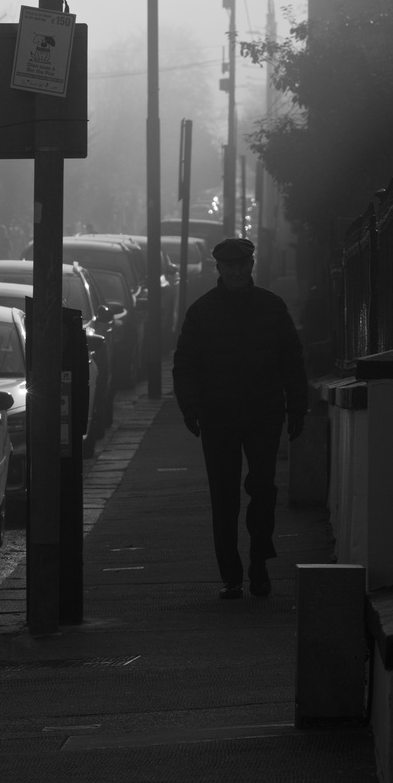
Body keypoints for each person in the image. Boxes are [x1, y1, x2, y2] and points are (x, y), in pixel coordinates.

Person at [171, 236, 307, 599]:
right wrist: (191, 407)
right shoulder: (202, 312)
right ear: (219, 268)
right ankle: (232, 574)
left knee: (262, 489)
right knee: (224, 497)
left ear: (250, 266)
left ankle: (258, 560)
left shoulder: (270, 307)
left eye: (241, 265)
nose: (235, 271)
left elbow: (291, 360)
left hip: (263, 413)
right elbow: (185, 365)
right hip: (219, 416)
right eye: (229, 265)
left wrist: (297, 405)